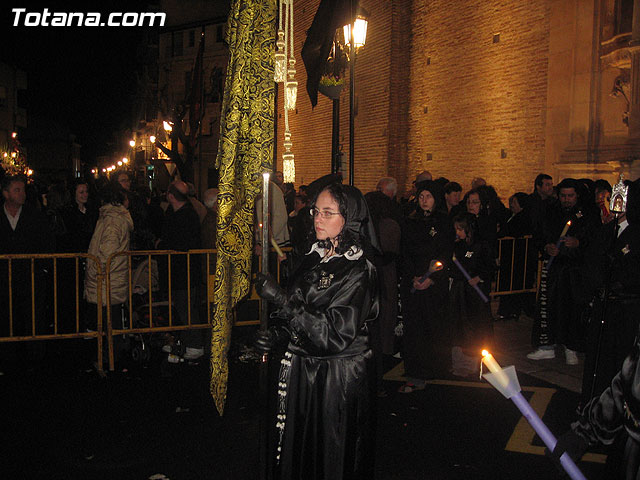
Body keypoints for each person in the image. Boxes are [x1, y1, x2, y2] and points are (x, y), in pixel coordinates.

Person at [253, 181, 379, 480]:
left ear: (349, 218)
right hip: (304, 372)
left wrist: (281, 299)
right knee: (300, 450)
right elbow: (299, 309)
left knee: (330, 456)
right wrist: (278, 336)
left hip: (336, 378)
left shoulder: (359, 270)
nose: (317, 218)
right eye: (315, 211)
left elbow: (334, 334)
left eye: (328, 212)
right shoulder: (313, 255)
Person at [528, 178, 597, 365]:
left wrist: (578, 243)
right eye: (563, 196)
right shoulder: (551, 211)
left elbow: (595, 240)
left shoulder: (588, 213)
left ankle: (571, 347)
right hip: (554, 268)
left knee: (572, 309)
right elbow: (539, 234)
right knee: (548, 305)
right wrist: (546, 246)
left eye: (570, 196)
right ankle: (547, 345)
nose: (566, 200)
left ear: (577, 196)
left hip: (575, 270)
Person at [399, 180, 454, 391]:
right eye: (421, 196)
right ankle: (416, 370)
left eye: (428, 197)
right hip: (413, 280)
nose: (424, 201)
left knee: (433, 324)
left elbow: (445, 252)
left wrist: (431, 278)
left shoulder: (443, 221)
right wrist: (413, 276)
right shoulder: (410, 220)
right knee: (415, 328)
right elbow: (405, 250)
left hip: (433, 283)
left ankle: (435, 367)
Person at [448, 213, 495, 376]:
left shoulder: (481, 245)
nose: (458, 233)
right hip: (460, 292)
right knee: (460, 325)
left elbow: (490, 267)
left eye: (460, 229)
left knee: (476, 326)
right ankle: (461, 361)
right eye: (456, 229)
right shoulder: (458, 246)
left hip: (476, 294)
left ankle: (476, 361)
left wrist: (479, 277)